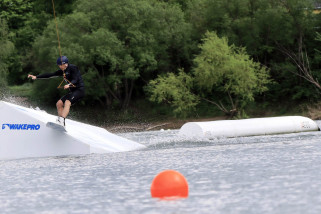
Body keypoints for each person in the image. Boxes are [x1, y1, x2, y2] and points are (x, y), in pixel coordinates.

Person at [28, 56, 85, 127]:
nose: (60, 67)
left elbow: (75, 79)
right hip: (73, 92)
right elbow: (50, 75)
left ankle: (61, 120)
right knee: (59, 103)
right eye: (59, 66)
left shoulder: (73, 68)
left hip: (79, 90)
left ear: (65, 64)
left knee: (67, 102)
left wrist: (69, 85)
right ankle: (60, 122)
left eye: (60, 65)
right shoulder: (62, 71)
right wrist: (36, 77)